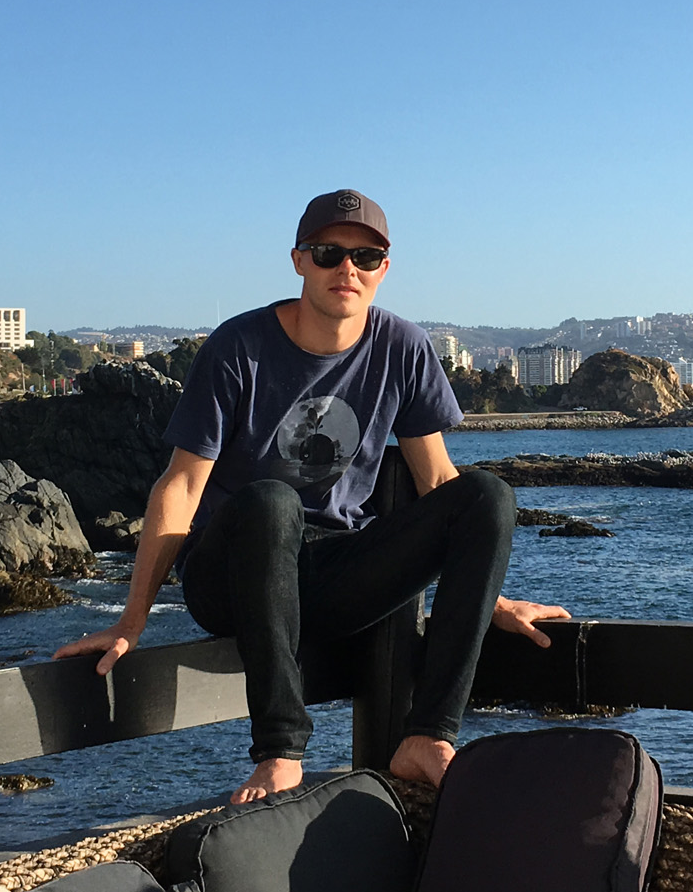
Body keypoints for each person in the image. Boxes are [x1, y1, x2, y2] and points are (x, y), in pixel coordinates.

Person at [55, 189, 570, 804]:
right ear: (299, 260)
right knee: (274, 502)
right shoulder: (238, 348)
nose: (346, 269)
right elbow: (182, 483)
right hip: (234, 574)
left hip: (333, 574)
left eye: (365, 257)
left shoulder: (402, 346)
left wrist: (492, 598)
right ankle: (280, 749)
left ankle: (428, 737)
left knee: (486, 495)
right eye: (329, 253)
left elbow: (438, 483)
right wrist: (132, 620)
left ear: (384, 268)